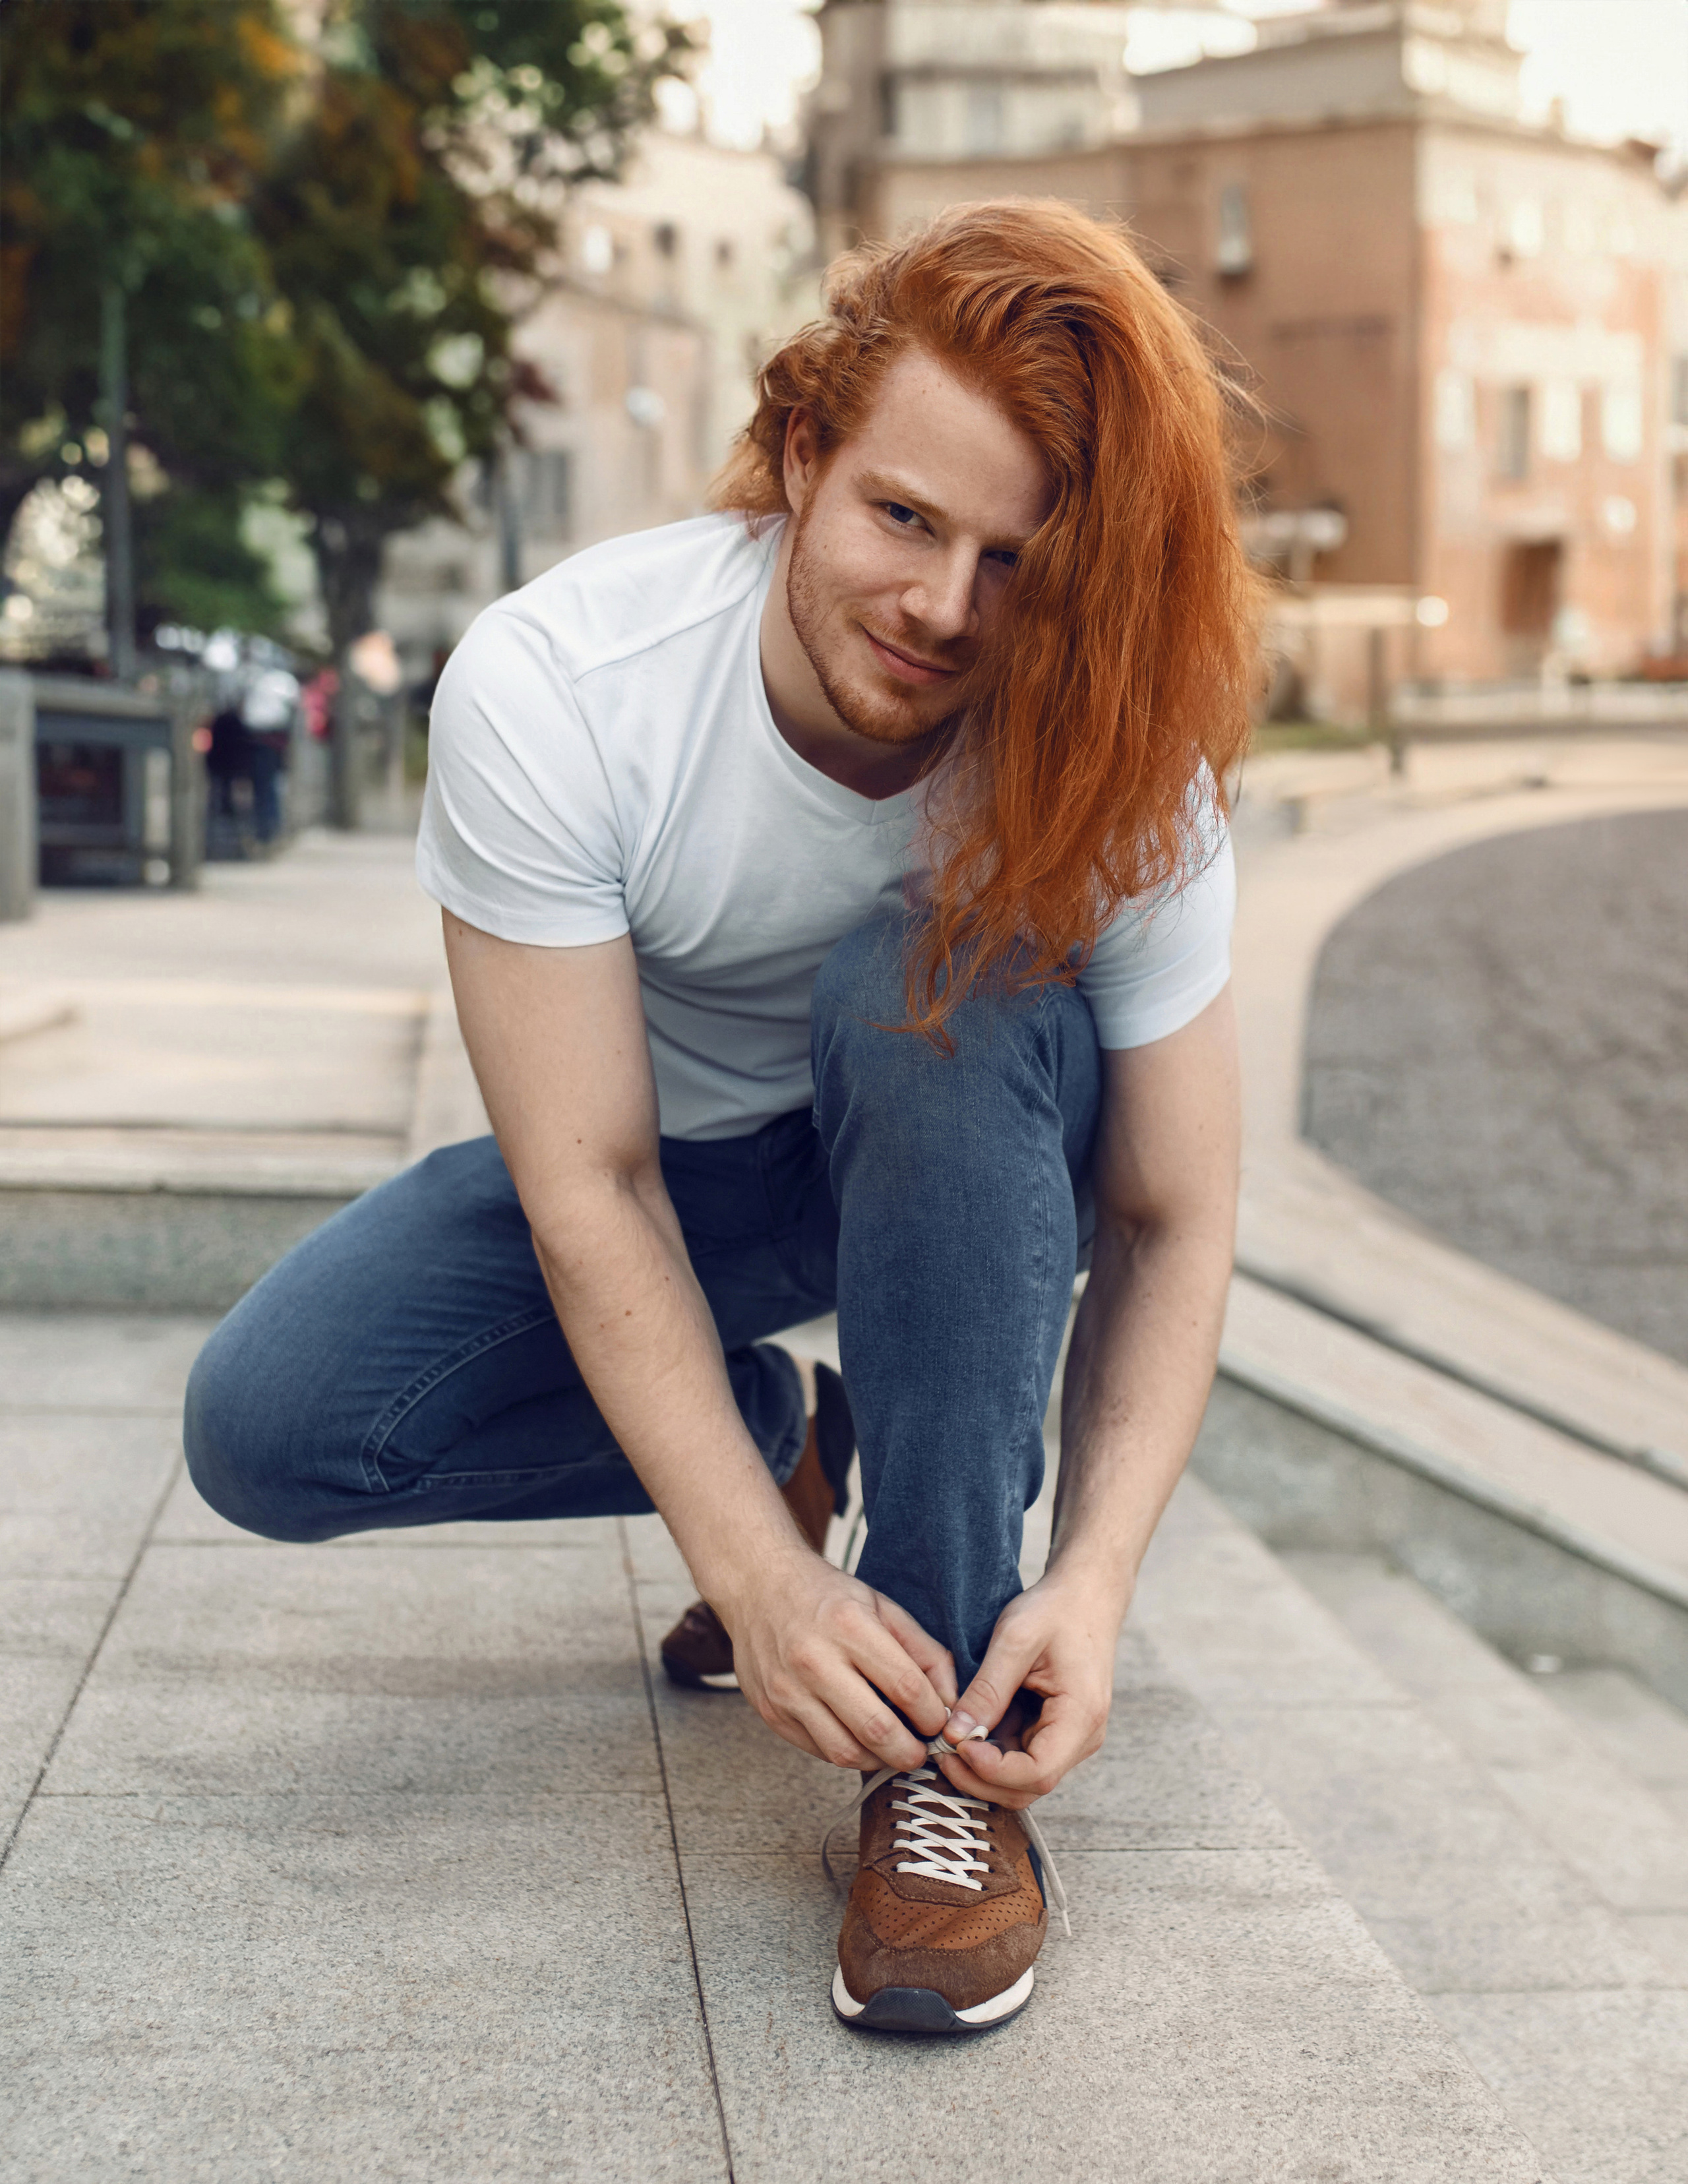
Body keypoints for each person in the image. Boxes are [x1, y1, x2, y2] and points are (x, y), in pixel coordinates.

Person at [183, 200, 1256, 2036]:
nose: (942, 610)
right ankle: (783, 1439)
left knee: (920, 979)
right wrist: (749, 1570)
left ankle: (944, 1742)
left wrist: (1091, 1581)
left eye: (1019, 565)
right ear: (803, 452)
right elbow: (588, 1183)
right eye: (905, 518)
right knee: (271, 1429)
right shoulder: (564, 686)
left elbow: (1169, 1214)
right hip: (675, 1176)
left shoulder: (1117, 748)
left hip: (957, 1136)